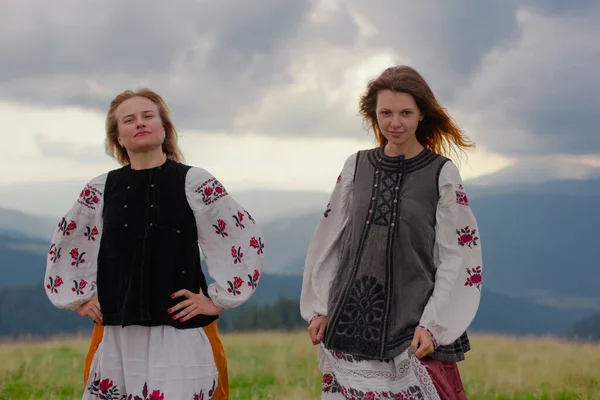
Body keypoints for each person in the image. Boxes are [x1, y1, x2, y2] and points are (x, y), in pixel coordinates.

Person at [44, 88, 265, 399]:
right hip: (118, 329)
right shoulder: (101, 188)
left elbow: (241, 236)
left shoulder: (195, 181)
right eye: (128, 120)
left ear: (164, 128)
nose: (139, 123)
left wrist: (218, 298)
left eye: (148, 116)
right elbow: (68, 242)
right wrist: (78, 298)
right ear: (118, 137)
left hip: (180, 327)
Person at [300, 65, 483, 400]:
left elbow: (457, 257)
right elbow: (330, 240)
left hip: (413, 331)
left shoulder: (442, 174)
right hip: (348, 325)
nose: (394, 123)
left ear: (422, 115)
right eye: (386, 113)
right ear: (374, 114)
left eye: (405, 113)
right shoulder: (355, 166)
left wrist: (434, 326)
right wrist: (320, 307)